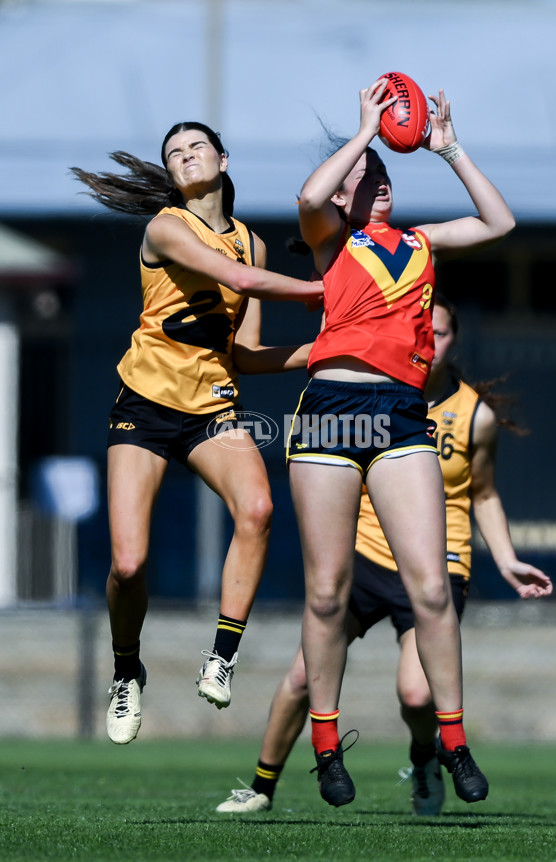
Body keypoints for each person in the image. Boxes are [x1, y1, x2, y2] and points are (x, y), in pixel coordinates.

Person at [215, 293, 553, 815]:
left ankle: (424, 759)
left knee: (417, 696)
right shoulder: (370, 394)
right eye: (426, 331)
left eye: (441, 334)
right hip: (365, 560)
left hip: (436, 566)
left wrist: (506, 559)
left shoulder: (474, 416)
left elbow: (483, 493)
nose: (432, 341)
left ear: (454, 340)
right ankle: (261, 788)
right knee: (303, 676)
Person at [281, 79, 517, 808]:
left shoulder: (420, 242)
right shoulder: (332, 239)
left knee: (430, 586)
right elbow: (307, 198)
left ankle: (451, 739)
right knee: (326, 592)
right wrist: (363, 133)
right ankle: (325, 745)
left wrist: (449, 150)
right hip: (329, 409)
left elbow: (498, 222)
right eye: (365, 176)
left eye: (383, 174)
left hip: (400, 412)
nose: (376, 181)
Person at [71, 122, 323, 745]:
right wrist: (329, 291)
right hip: (146, 407)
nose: (184, 158)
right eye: (173, 153)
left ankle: (222, 655)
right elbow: (237, 282)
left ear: (223, 159)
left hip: (213, 408)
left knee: (260, 509)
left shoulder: (254, 244)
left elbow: (248, 354)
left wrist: (326, 346)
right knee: (129, 565)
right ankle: (127, 670)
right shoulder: (167, 226)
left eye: (195, 148)